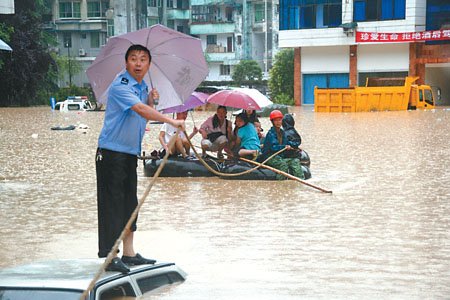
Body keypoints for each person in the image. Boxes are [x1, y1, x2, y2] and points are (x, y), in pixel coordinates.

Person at [96, 44, 185, 274]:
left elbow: (141, 119)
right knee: (113, 205)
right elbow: (140, 110)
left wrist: (152, 101)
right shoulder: (121, 85)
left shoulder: (142, 86)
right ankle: (110, 255)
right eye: (133, 59)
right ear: (126, 63)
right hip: (111, 152)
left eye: (143, 59)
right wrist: (170, 120)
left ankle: (129, 253)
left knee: (129, 204)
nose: (138, 63)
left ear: (149, 65)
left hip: (128, 153)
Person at [258, 110, 305, 180]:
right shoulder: (271, 134)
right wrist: (284, 147)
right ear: (272, 122)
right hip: (270, 157)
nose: (278, 122)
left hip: (279, 156)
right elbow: (274, 147)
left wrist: (294, 146)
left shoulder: (282, 132)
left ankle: (300, 181)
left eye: (279, 120)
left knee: (295, 161)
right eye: (276, 120)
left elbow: (287, 142)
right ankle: (280, 185)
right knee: (283, 165)